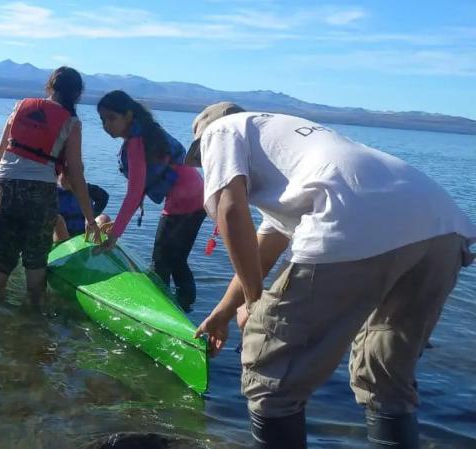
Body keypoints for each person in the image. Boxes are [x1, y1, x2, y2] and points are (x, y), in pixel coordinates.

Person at [188, 102, 476, 448]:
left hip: (354, 216)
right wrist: (222, 312)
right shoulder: (290, 155)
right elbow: (261, 252)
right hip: (442, 227)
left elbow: (231, 212)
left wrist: (255, 303)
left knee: (270, 372)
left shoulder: (223, 130)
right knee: (385, 373)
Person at [0, 66, 101, 304]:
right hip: (39, 191)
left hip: (4, 185)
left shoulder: (20, 107)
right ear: (77, 94)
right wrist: (90, 219)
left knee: (0, 258)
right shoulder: (71, 123)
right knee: (36, 259)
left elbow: (0, 154)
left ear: (49, 87)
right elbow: (76, 174)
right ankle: (34, 321)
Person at [95, 90, 205, 309]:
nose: (106, 125)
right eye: (102, 119)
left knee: (160, 264)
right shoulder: (148, 132)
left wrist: (114, 235)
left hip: (182, 202)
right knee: (178, 260)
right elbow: (144, 184)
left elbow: (134, 193)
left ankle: (159, 312)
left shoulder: (136, 142)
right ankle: (186, 309)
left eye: (111, 118)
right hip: (199, 197)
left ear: (128, 115)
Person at [53, 171, 112, 242]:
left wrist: (92, 215)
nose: (67, 178)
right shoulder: (53, 191)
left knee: (104, 218)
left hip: (85, 231)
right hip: (63, 234)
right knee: (57, 220)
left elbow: (103, 197)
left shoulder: (87, 188)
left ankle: (103, 245)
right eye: (64, 175)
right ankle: (62, 247)